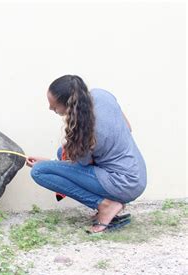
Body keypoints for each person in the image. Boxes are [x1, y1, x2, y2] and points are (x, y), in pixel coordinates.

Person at [26, 75, 146, 233]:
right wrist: (54, 161)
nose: (50, 108)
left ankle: (106, 205)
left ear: (68, 104)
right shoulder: (102, 95)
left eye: (54, 107)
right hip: (137, 174)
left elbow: (81, 165)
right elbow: (127, 127)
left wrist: (47, 164)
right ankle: (108, 203)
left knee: (40, 172)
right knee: (62, 152)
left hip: (123, 183)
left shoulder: (85, 132)